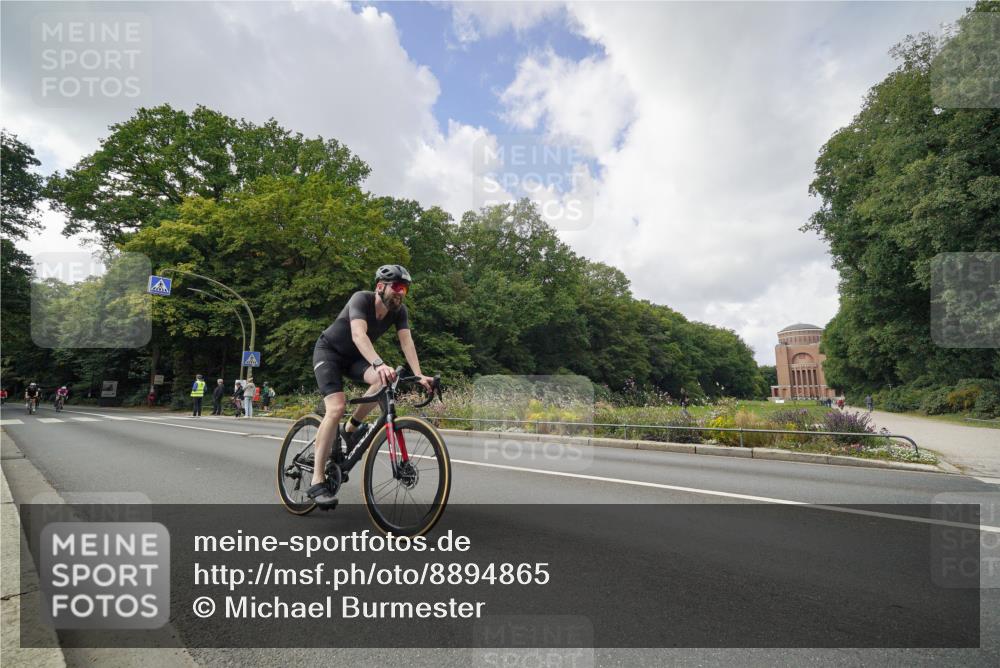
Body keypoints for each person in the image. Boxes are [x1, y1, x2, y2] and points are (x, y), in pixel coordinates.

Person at [306, 265, 434, 507]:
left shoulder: (399, 311)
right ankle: (316, 480)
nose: (401, 293)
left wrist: (418, 375)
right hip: (330, 352)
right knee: (335, 407)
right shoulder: (361, 299)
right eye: (396, 286)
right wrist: (378, 362)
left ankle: (351, 428)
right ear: (380, 287)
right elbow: (358, 335)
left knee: (383, 379)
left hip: (355, 359)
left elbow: (407, 343)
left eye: (404, 288)